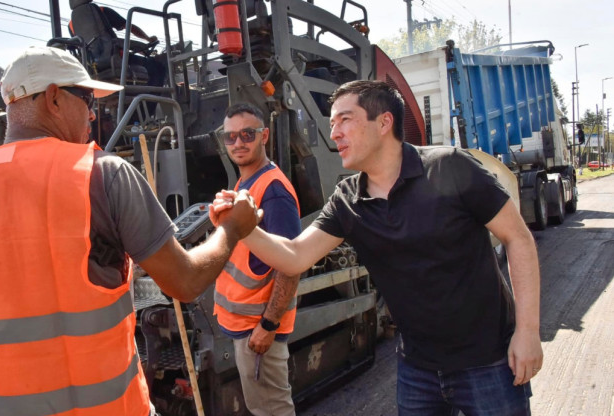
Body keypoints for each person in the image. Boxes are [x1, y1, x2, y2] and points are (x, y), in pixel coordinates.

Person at [0, 45, 260, 416]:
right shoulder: (101, 174)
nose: (94, 114)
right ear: (53, 98)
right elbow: (186, 281)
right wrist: (232, 229)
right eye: (85, 98)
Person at [212, 80, 543, 415]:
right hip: (418, 370)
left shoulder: (451, 168)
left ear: (384, 122)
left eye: (345, 120)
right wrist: (241, 226)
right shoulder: (347, 200)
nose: (335, 134)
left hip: (488, 363)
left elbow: (518, 238)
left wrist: (528, 333)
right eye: (332, 124)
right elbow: (295, 257)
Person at [215, 103, 300, 416]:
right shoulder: (244, 184)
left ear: (264, 135)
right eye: (231, 136)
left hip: (258, 327)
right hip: (246, 324)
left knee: (271, 410)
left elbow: (291, 265)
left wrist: (268, 325)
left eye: (247, 134)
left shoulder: (272, 190)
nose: (238, 143)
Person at [68, 3, 165, 87]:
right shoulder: (101, 11)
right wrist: (147, 39)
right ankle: (148, 106)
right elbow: (129, 27)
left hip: (95, 69)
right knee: (158, 68)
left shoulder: (71, 25)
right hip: (118, 61)